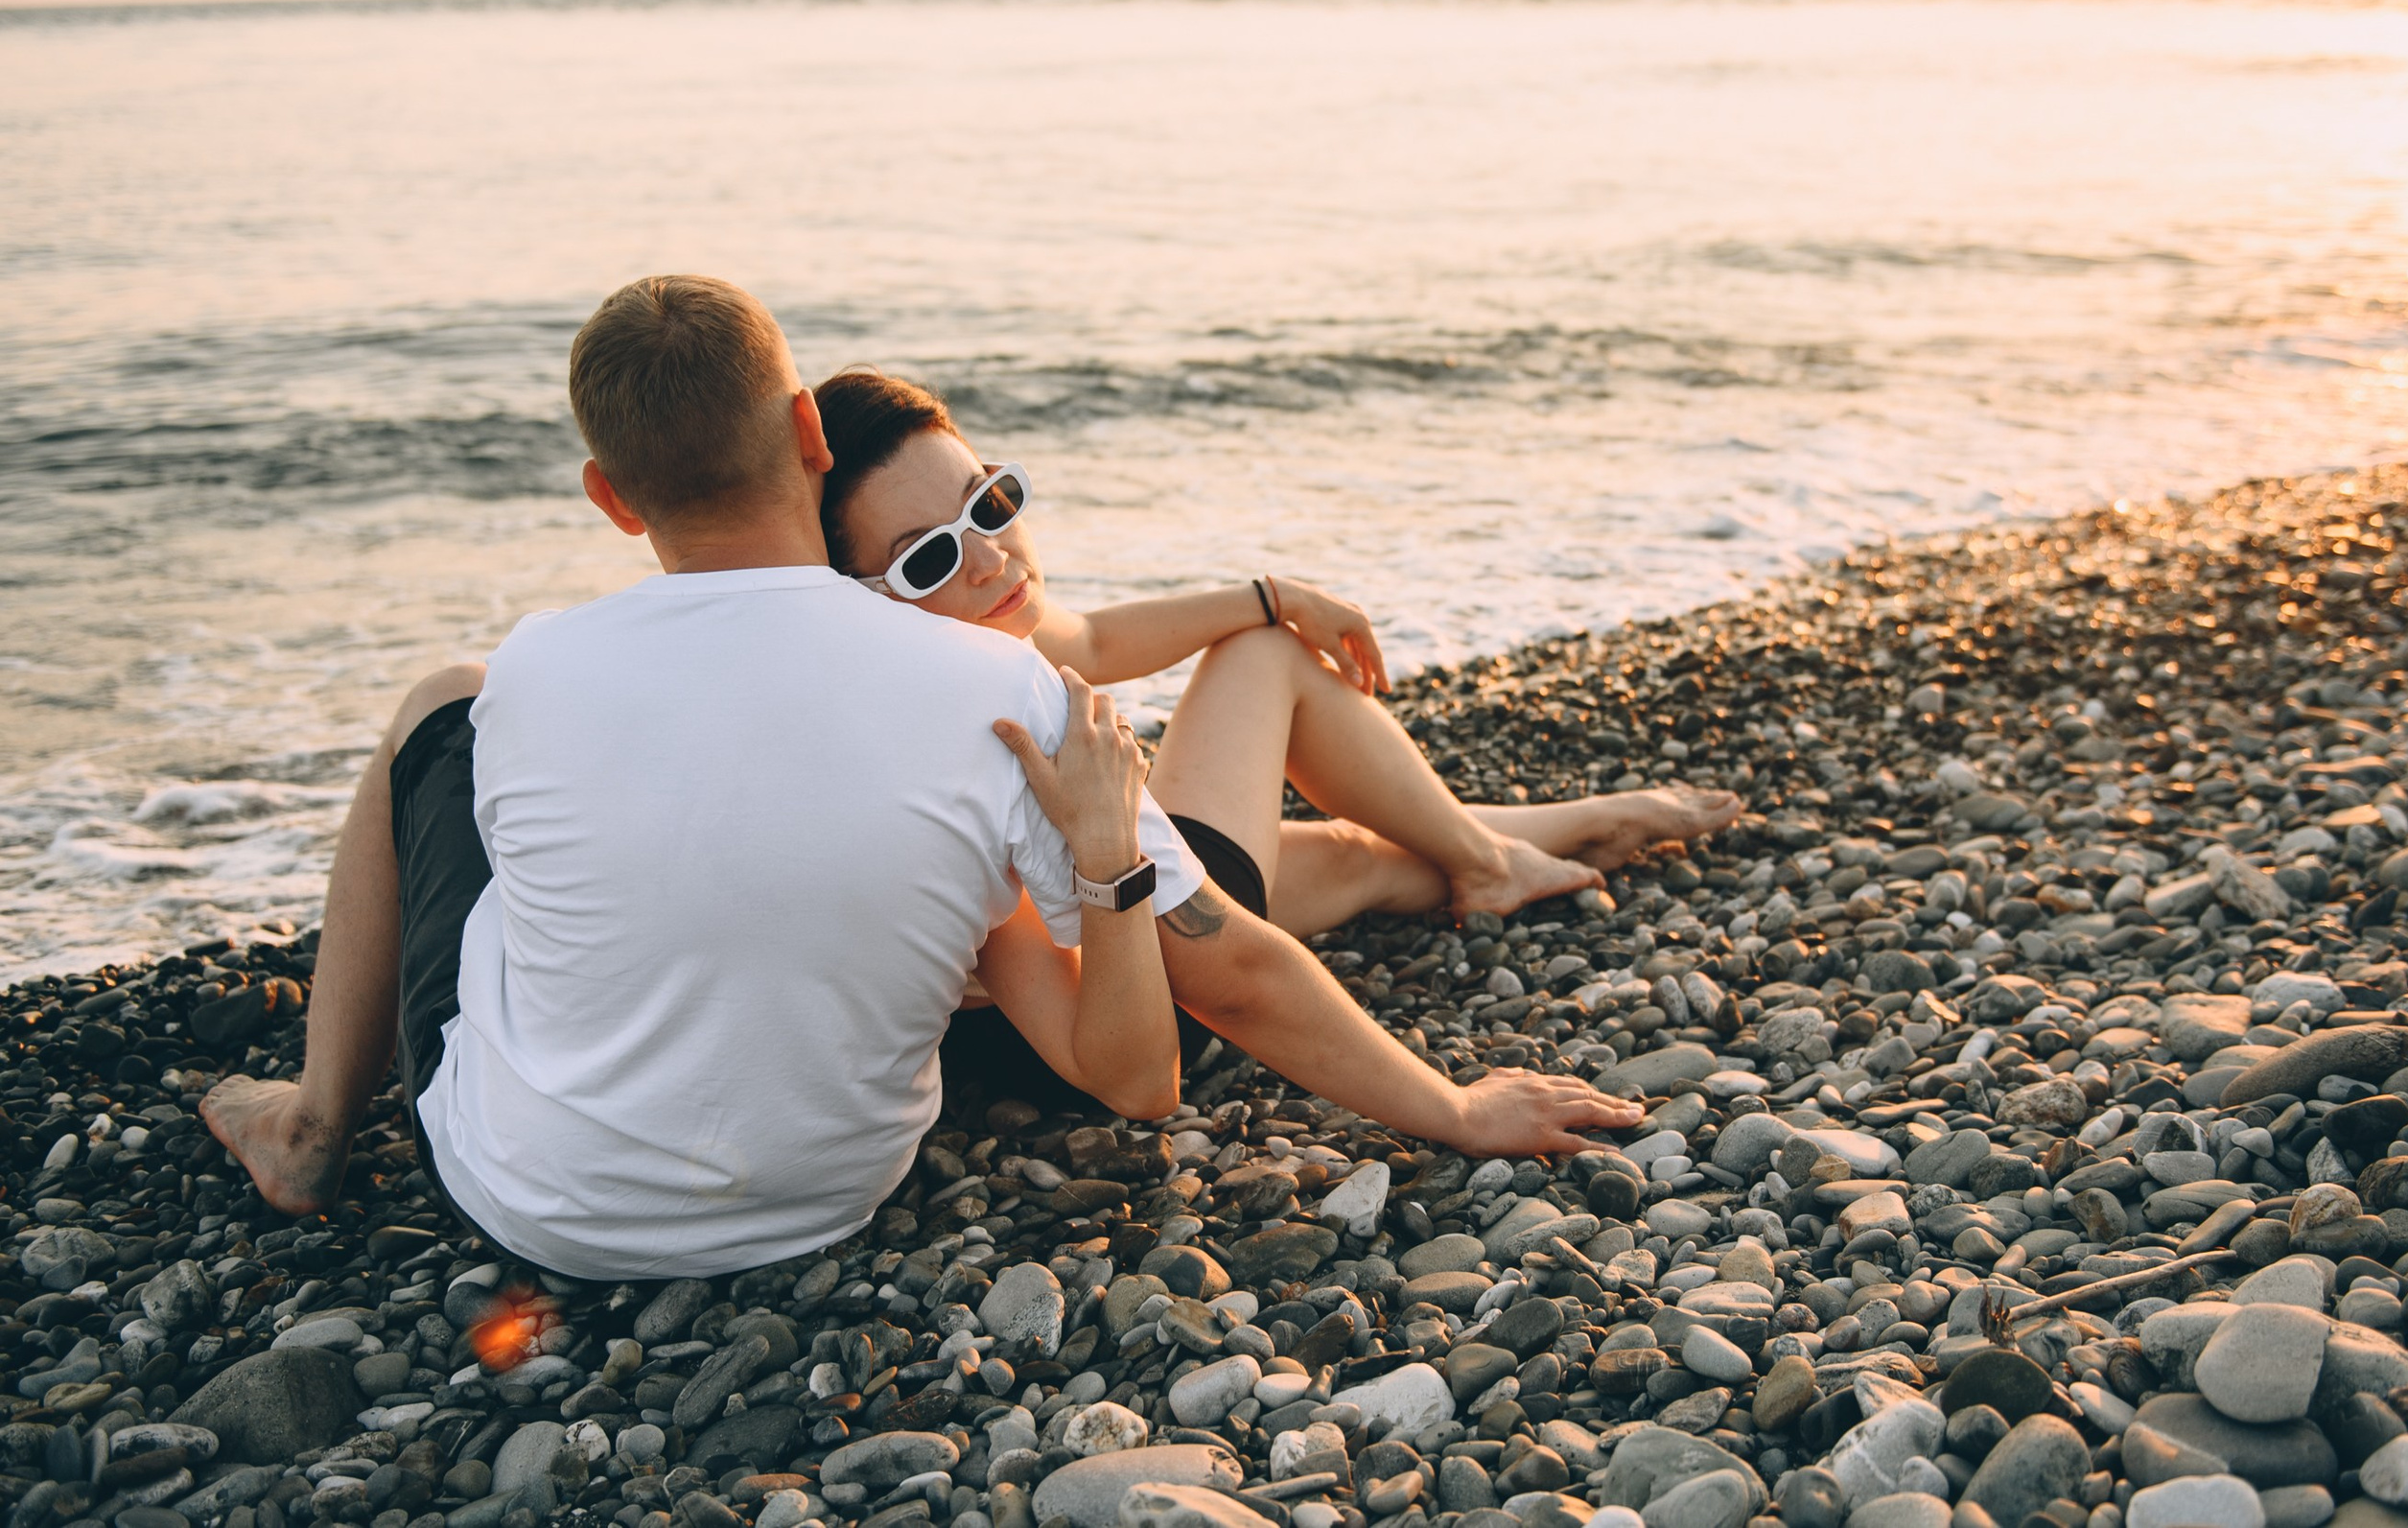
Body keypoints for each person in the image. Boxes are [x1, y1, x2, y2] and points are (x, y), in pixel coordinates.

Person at [203, 276, 1644, 1278]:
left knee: (432, 712)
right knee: (1274, 866)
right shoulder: (993, 688)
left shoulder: (528, 671)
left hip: (524, 1206)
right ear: (811, 436)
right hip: (828, 1200)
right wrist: (1454, 1111)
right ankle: (1486, 843)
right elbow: (1230, 983)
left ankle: (315, 1125)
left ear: (609, 497)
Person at [813, 368, 1742, 941]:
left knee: (1358, 857)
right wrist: (1270, 616)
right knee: (1263, 658)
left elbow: (1094, 639)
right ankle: (1502, 857)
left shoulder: (949, 640)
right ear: (862, 595)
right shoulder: (942, 707)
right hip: (1138, 966)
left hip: (1149, 915)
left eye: (992, 501)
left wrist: (1274, 592)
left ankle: (1573, 828)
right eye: (930, 557)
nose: (988, 557)